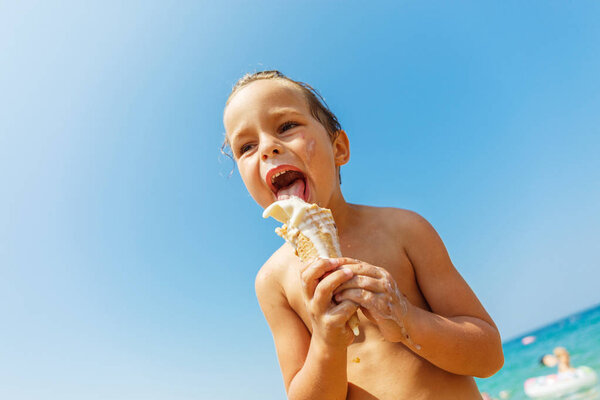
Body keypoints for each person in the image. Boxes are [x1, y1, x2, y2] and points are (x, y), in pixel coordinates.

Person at [223, 70, 504, 399]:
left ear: (339, 147)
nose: (268, 148)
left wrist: (405, 318)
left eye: (286, 126)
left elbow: (489, 357)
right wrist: (327, 342)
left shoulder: (402, 230)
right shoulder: (274, 282)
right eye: (246, 147)